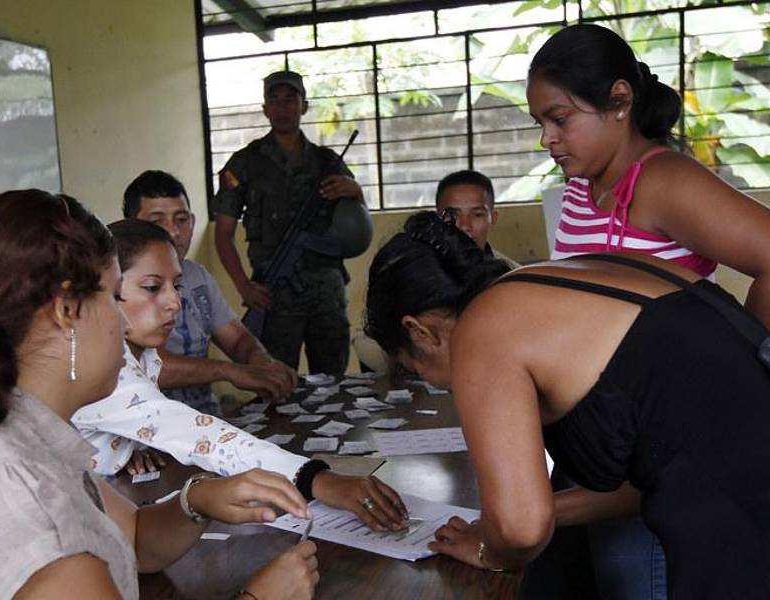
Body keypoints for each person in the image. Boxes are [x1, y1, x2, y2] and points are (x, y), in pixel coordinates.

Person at [365, 211, 770, 599]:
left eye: (416, 371)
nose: (437, 385)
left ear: (420, 331)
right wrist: (519, 516)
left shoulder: (483, 332)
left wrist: (496, 544)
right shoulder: (582, 274)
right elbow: (664, 472)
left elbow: (521, 528)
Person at [0, 190, 319, 600]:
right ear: (67, 311)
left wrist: (197, 500)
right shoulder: (8, 491)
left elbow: (131, 539)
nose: (120, 320)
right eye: (114, 296)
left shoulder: (22, 434)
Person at [71, 219, 409, 533]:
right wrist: (318, 480)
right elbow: (195, 433)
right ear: (104, 290)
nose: (174, 302)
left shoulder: (137, 353)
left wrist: (124, 446)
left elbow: (126, 419)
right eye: (151, 287)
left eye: (176, 285)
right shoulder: (100, 365)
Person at [534, 24, 770, 336]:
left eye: (560, 119)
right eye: (539, 122)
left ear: (620, 101)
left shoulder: (663, 181)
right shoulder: (579, 188)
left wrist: (735, 365)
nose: (546, 138)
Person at [212, 70, 365, 374]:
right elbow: (223, 234)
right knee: (278, 382)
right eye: (275, 100)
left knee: (333, 379)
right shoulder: (244, 163)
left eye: (290, 100)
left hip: (326, 290)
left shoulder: (327, 161)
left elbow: (357, 225)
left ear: (304, 106)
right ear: (265, 109)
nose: (283, 108)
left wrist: (357, 192)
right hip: (274, 292)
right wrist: (243, 286)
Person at [123, 170, 297, 416]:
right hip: (153, 436)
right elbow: (146, 365)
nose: (173, 232)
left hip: (207, 425)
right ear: (131, 226)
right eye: (157, 222)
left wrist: (261, 363)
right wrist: (230, 371)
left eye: (181, 220)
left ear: (193, 222)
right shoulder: (120, 283)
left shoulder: (197, 276)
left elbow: (237, 339)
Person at [353, 169, 517, 373]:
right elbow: (368, 337)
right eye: (452, 215)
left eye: (477, 214)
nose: (464, 226)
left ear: (493, 218)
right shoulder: (413, 267)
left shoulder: (512, 279)